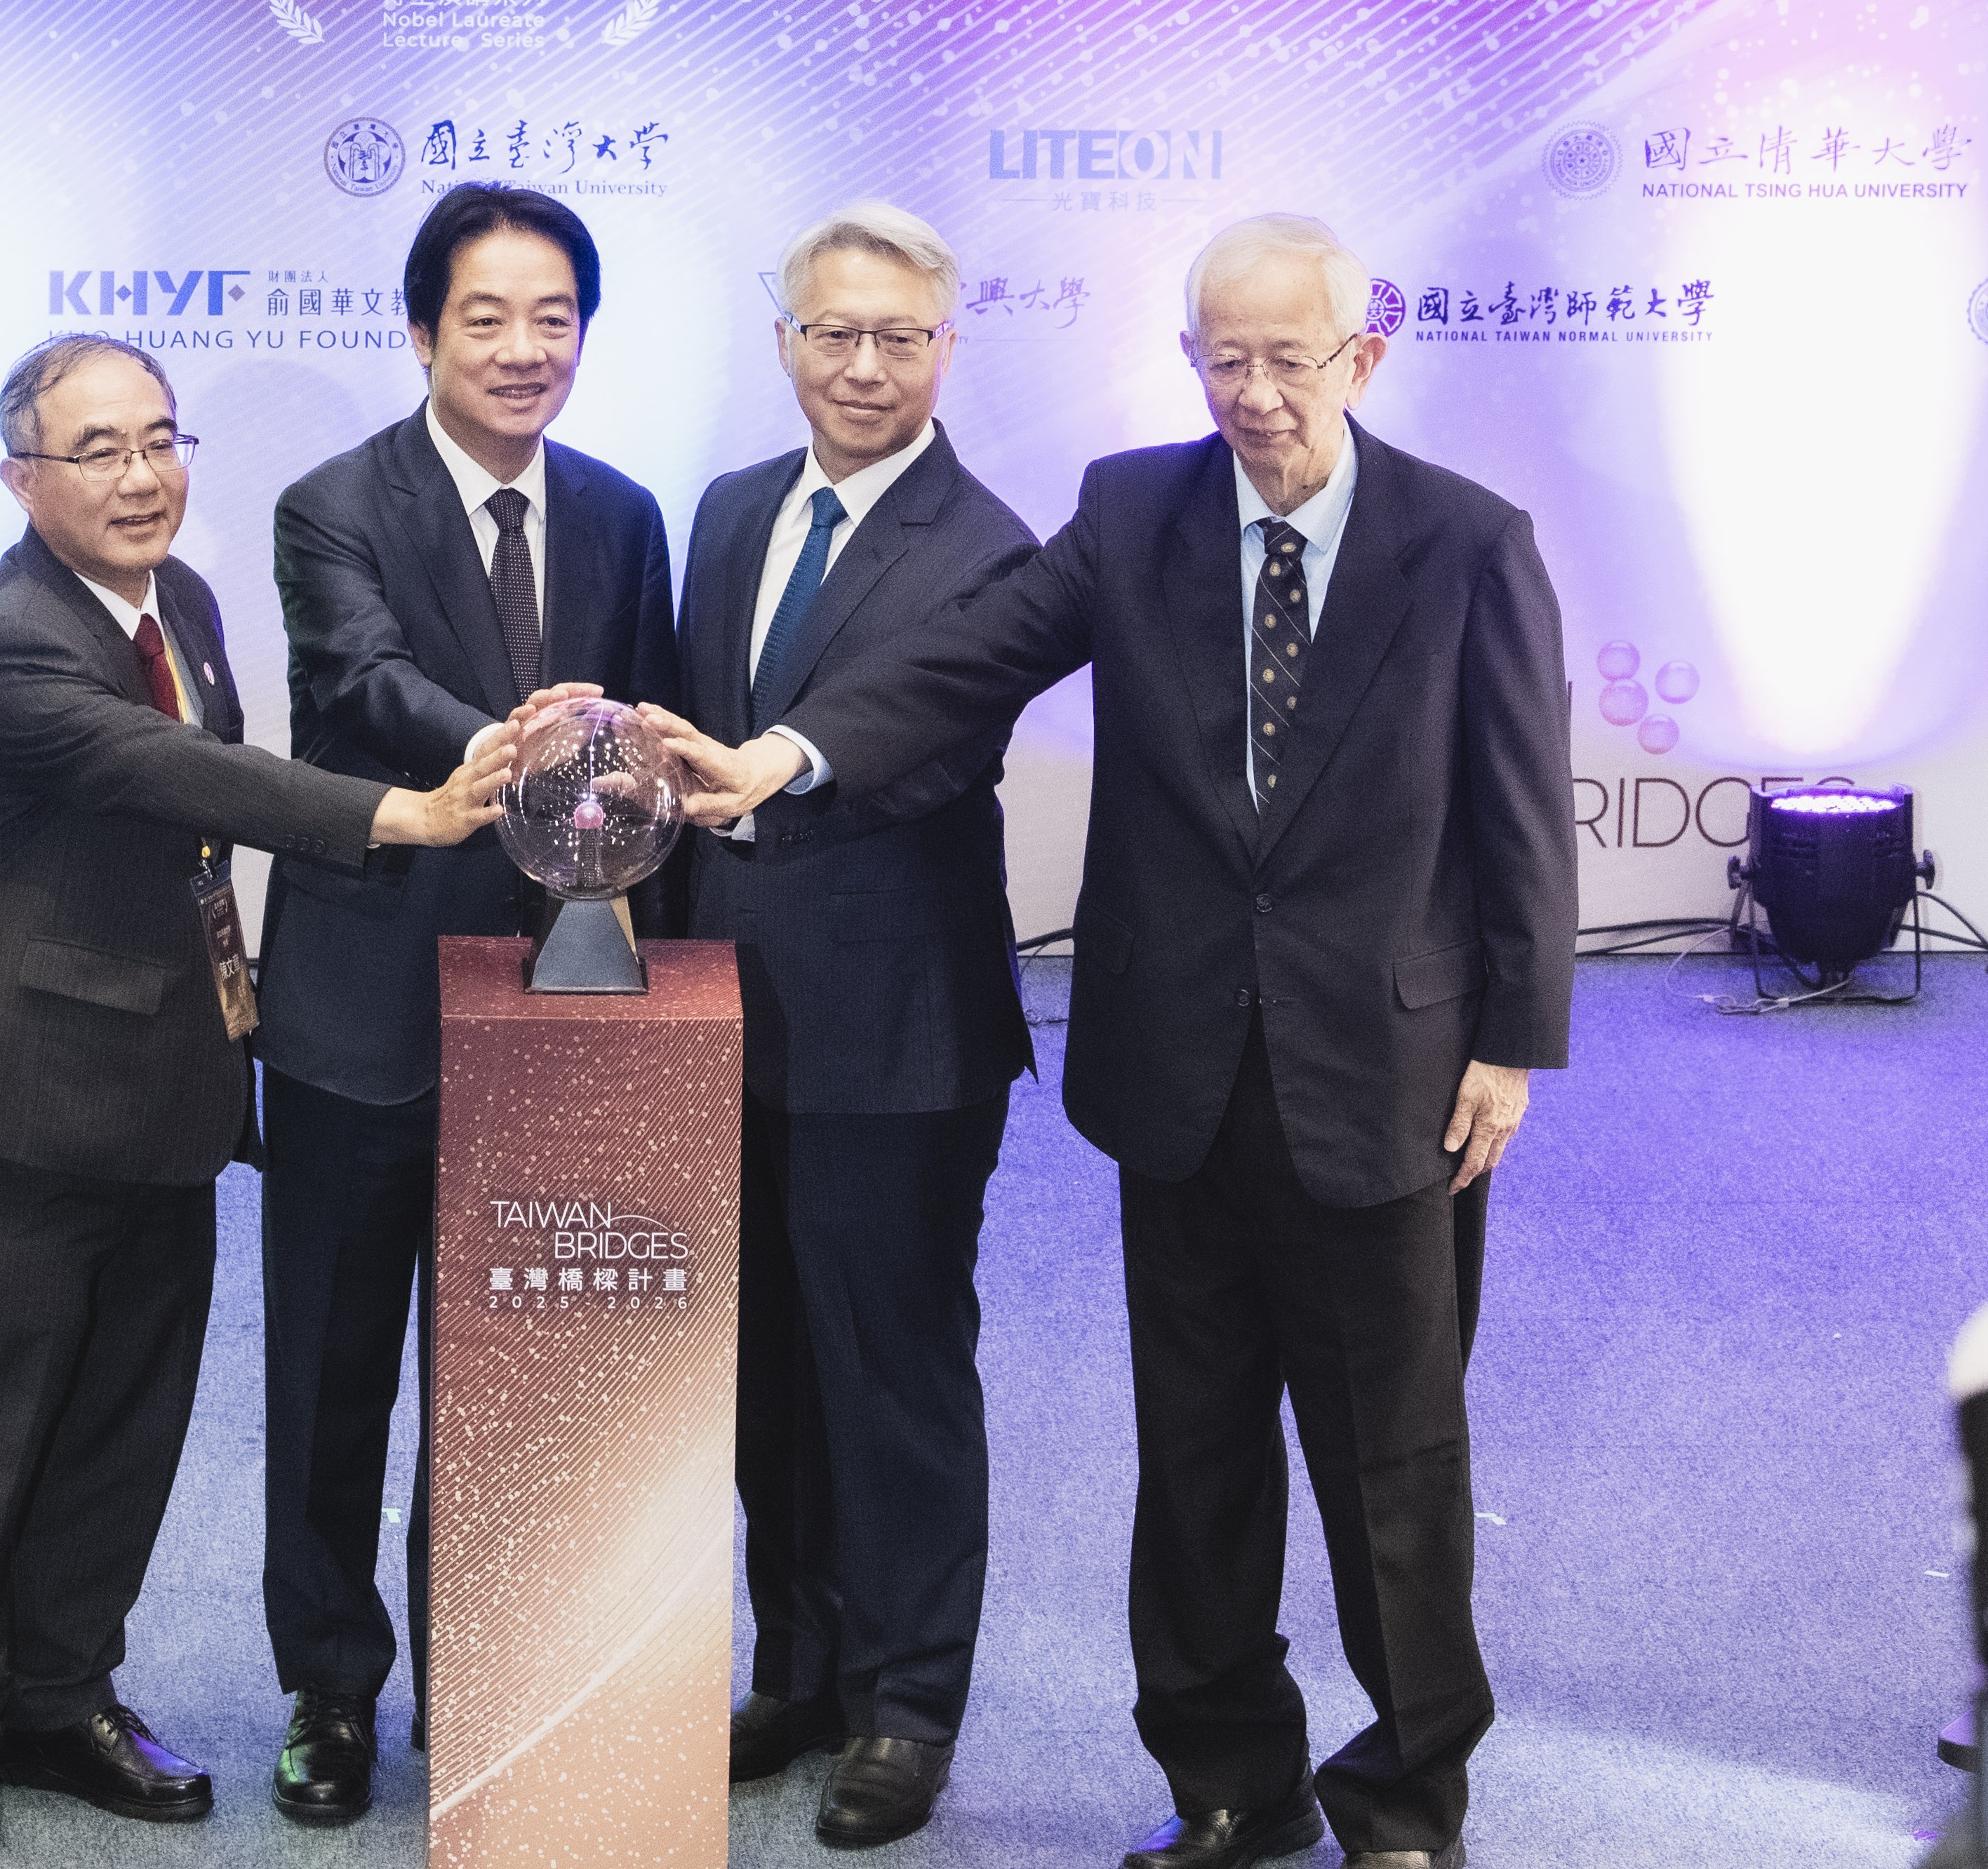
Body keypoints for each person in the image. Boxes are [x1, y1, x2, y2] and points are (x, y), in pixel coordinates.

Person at [645, 213, 1577, 1869]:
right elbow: (959, 662)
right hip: (1178, 1073)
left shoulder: (1464, 541)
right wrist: (787, 754)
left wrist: (1509, 1043)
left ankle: (1406, 1797)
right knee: (1195, 1451)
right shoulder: (1132, 511)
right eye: (1224, 359)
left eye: (1287, 361)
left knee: (1393, 1467)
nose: (1254, 394)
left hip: (1388, 1081)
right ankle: (1230, 1781)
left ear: (1363, 359)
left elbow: (1519, 812)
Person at [0, 335, 520, 1863]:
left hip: (169, 1084)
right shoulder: (15, 644)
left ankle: (61, 1692)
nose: (139, 475)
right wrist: (402, 811)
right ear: (20, 479)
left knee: (127, 1415)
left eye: (159, 440)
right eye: (96, 449)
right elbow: (186, 776)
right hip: (28, 1095)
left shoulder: (185, 604)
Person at [252, 182, 679, 1828]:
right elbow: (360, 681)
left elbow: (647, 756)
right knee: (335, 1362)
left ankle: (490, 1674)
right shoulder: (331, 504)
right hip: (366, 992)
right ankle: (330, 1687)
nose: (521, 349)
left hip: (557, 996)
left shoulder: (624, 513)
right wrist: (524, 746)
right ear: (423, 329)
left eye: (551, 318)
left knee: (517, 1365)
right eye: (485, 318)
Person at [646, 201, 1034, 1849]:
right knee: (762, 1371)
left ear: (945, 348)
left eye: (897, 337)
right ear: (785, 340)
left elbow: (920, 744)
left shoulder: (990, 549)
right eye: (833, 333)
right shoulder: (733, 509)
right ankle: (800, 1667)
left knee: (890, 1374)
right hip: (721, 1009)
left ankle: (903, 1703)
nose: (862, 367)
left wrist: (775, 767)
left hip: (896, 1031)